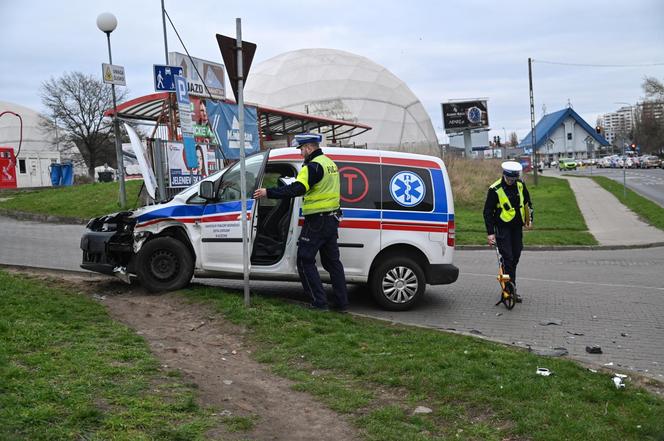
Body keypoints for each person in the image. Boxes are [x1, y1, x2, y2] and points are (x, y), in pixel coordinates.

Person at [253, 133, 348, 312]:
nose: (300, 153)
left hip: (317, 221)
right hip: (332, 219)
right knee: (333, 263)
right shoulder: (330, 164)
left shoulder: (311, 167)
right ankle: (342, 304)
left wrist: (269, 192)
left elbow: (299, 188)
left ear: (309, 147)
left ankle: (319, 303)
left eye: (302, 149)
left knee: (304, 260)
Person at [483, 161, 533, 303]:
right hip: (502, 229)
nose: (511, 181)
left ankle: (510, 286)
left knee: (515, 256)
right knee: (508, 259)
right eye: (509, 179)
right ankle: (509, 290)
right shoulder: (495, 189)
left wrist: (530, 219)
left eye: (514, 179)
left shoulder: (520, 185)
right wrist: (490, 233)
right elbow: (487, 212)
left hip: (517, 228)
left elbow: (528, 203)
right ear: (504, 175)